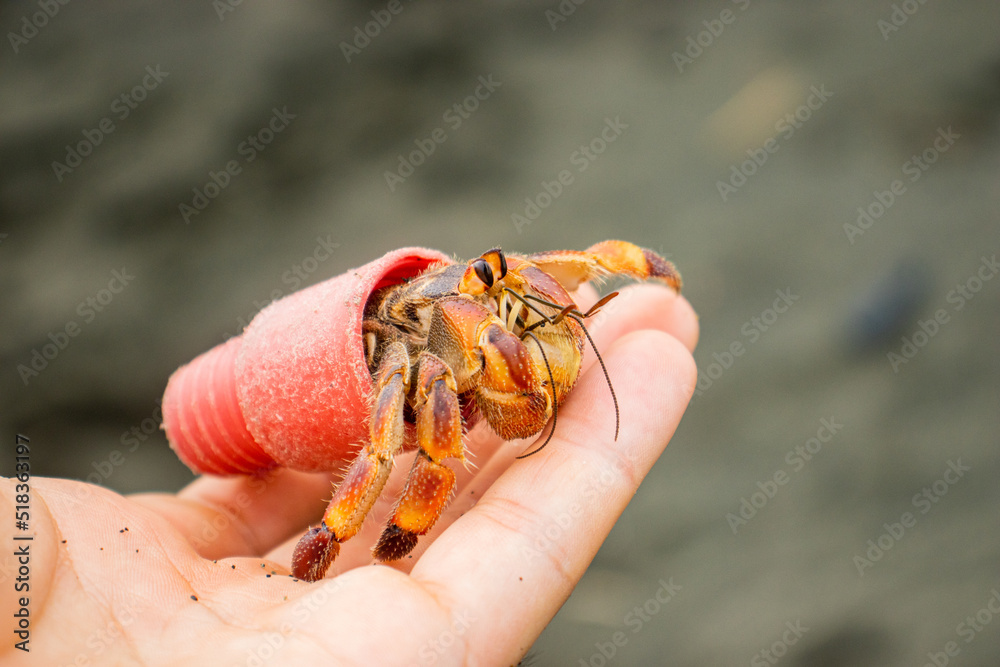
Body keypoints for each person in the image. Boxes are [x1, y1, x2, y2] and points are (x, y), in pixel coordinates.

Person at [1, 283, 697, 665]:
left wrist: (609, 268)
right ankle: (352, 529)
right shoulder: (424, 358)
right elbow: (400, 440)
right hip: (348, 367)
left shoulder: (475, 304)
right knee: (420, 438)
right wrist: (355, 535)